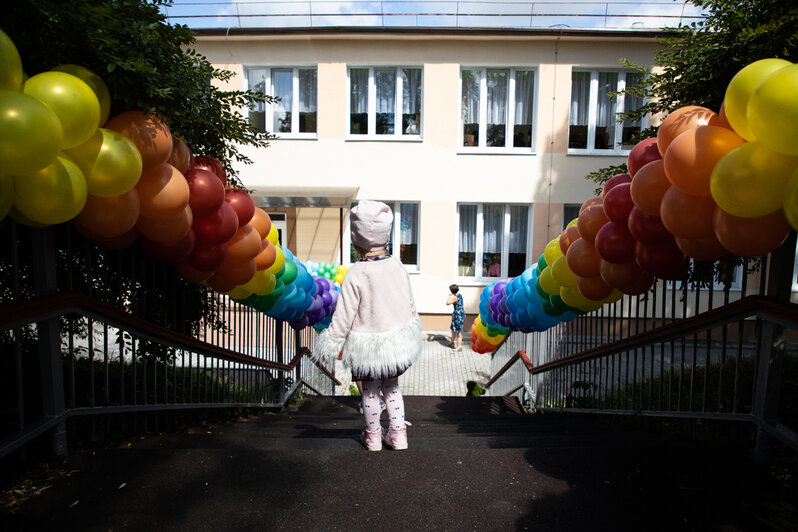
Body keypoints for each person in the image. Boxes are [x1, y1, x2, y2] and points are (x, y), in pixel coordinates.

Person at [312, 200, 422, 451]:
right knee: (392, 387)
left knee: (370, 392)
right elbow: (409, 302)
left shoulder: (357, 272)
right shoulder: (397, 265)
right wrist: (410, 323)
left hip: (366, 345)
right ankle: (398, 434)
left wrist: (333, 340)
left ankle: (373, 436)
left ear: (356, 239)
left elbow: (344, 313)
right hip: (394, 342)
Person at [446, 284, 465, 351]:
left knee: (458, 331)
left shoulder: (455, 297)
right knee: (453, 328)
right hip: (459, 313)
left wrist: (449, 296)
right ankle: (452, 341)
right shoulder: (460, 295)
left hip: (458, 315)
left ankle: (459, 346)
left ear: (452, 291)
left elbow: (447, 303)